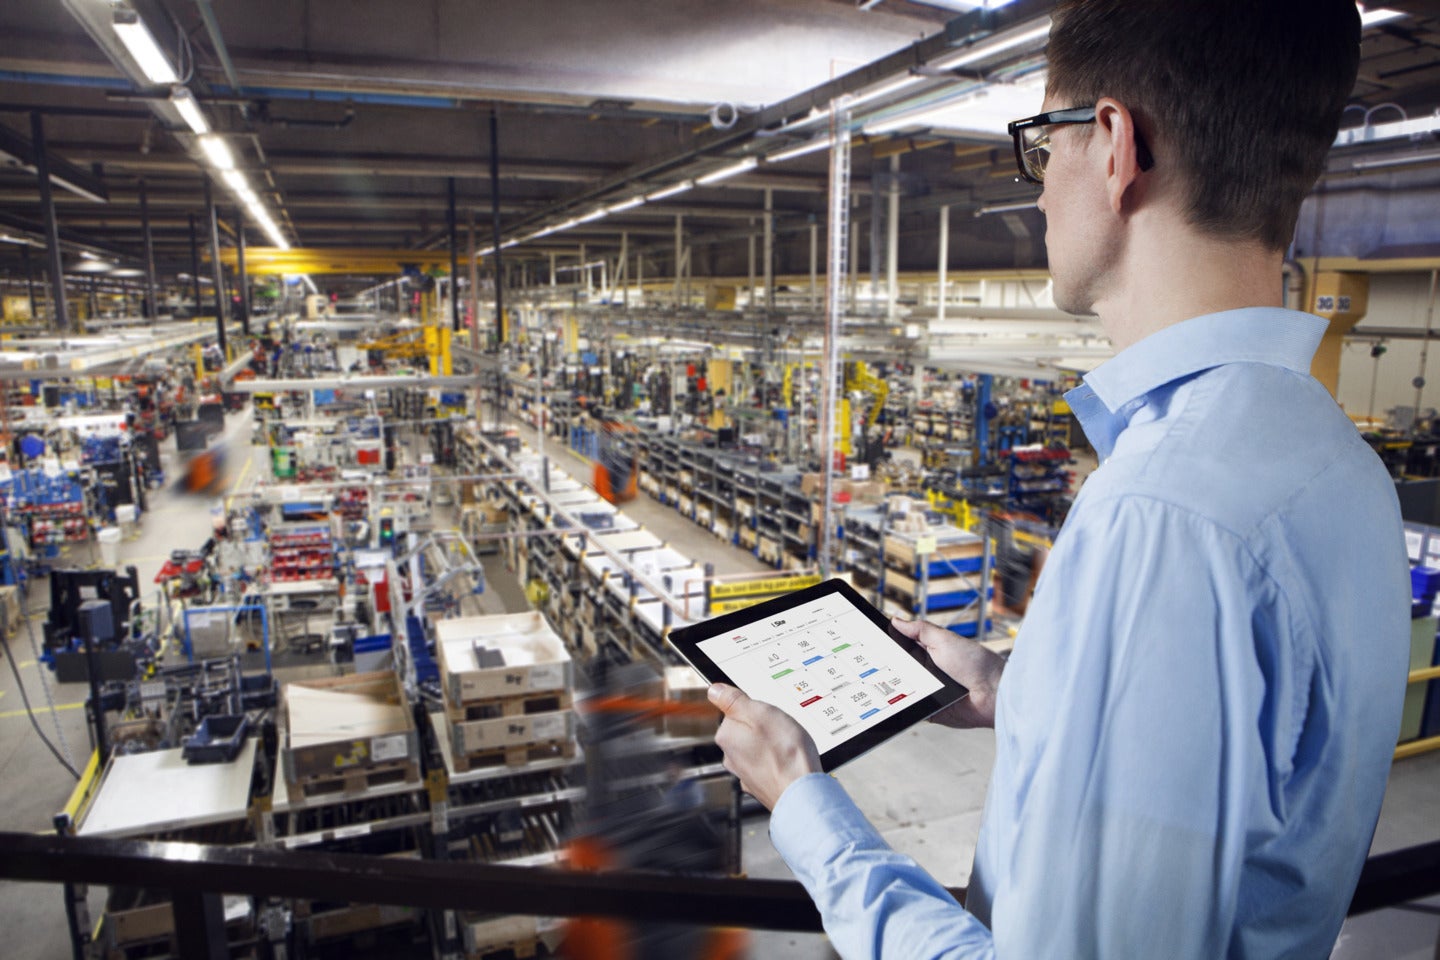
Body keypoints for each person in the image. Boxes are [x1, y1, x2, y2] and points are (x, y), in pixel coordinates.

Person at [708, 1, 1412, 956]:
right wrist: (1019, 690)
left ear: (1115, 146)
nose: (1038, 193)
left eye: (1043, 147)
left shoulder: (1164, 514)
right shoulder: (1337, 462)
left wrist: (800, 802)